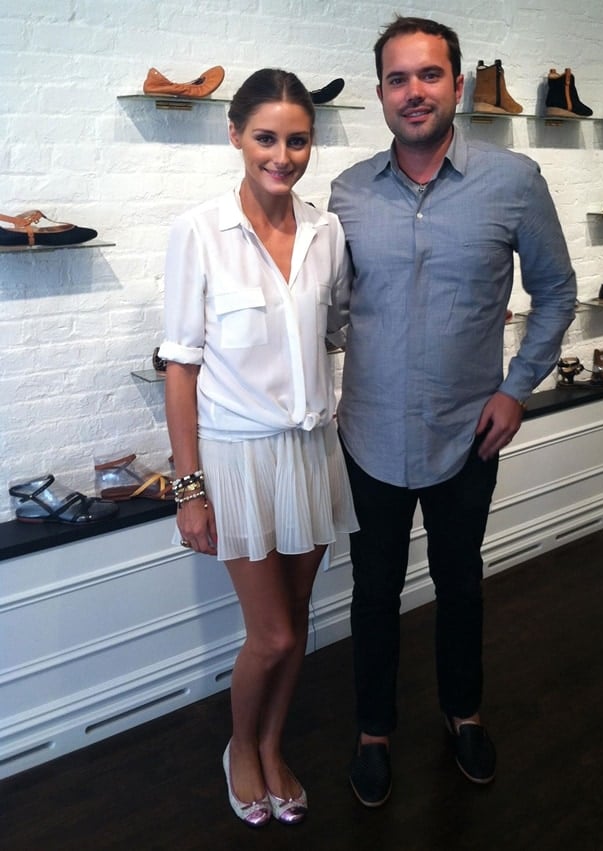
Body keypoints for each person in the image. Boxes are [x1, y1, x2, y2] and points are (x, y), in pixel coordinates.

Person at [328, 16, 577, 807]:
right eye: (398, 79)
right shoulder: (347, 194)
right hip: (368, 433)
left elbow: (557, 292)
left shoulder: (514, 181)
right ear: (380, 94)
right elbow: (327, 308)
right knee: (372, 591)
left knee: (461, 580)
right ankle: (373, 731)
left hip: (468, 431)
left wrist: (517, 388)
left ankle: (463, 713)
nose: (414, 92)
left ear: (458, 84)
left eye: (429, 75)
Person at [159, 68, 358, 828]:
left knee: (299, 615)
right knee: (269, 633)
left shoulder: (326, 231)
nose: (283, 155)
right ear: (235, 134)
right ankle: (240, 746)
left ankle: (274, 744)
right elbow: (181, 365)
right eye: (266, 137)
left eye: (298, 139)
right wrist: (189, 489)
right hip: (236, 457)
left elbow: (334, 332)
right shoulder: (199, 231)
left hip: (311, 451)